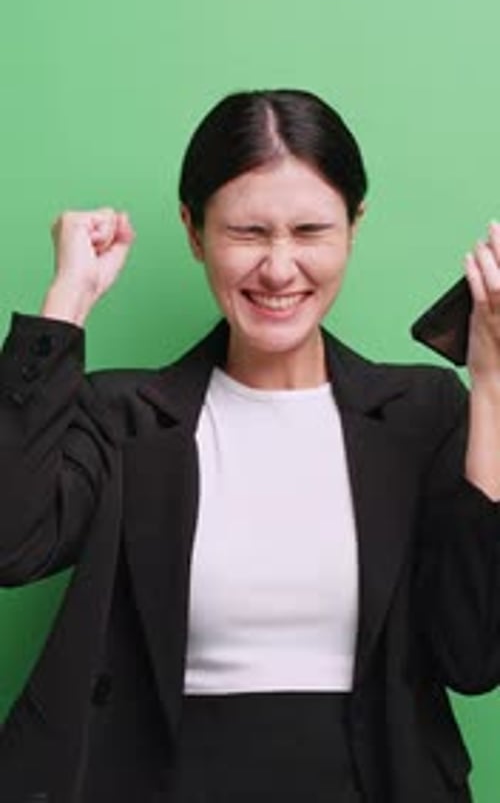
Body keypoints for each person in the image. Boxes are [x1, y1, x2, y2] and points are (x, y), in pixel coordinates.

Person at [0, 89, 499, 803]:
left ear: (354, 226)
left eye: (310, 230)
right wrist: (67, 302)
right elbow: (11, 543)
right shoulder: (123, 418)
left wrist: (491, 387)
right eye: (248, 232)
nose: (279, 267)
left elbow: (474, 656)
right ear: (194, 230)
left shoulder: (424, 413)